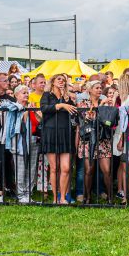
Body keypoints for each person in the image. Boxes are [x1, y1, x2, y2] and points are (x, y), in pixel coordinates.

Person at [40, 73, 77, 204]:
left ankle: (63, 197)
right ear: (53, 81)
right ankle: (55, 198)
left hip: (65, 133)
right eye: (59, 79)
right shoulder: (47, 95)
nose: (62, 81)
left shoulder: (67, 97)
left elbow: (74, 112)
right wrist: (60, 106)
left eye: (64, 80)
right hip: (50, 132)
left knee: (66, 168)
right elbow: (44, 108)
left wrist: (70, 101)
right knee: (54, 168)